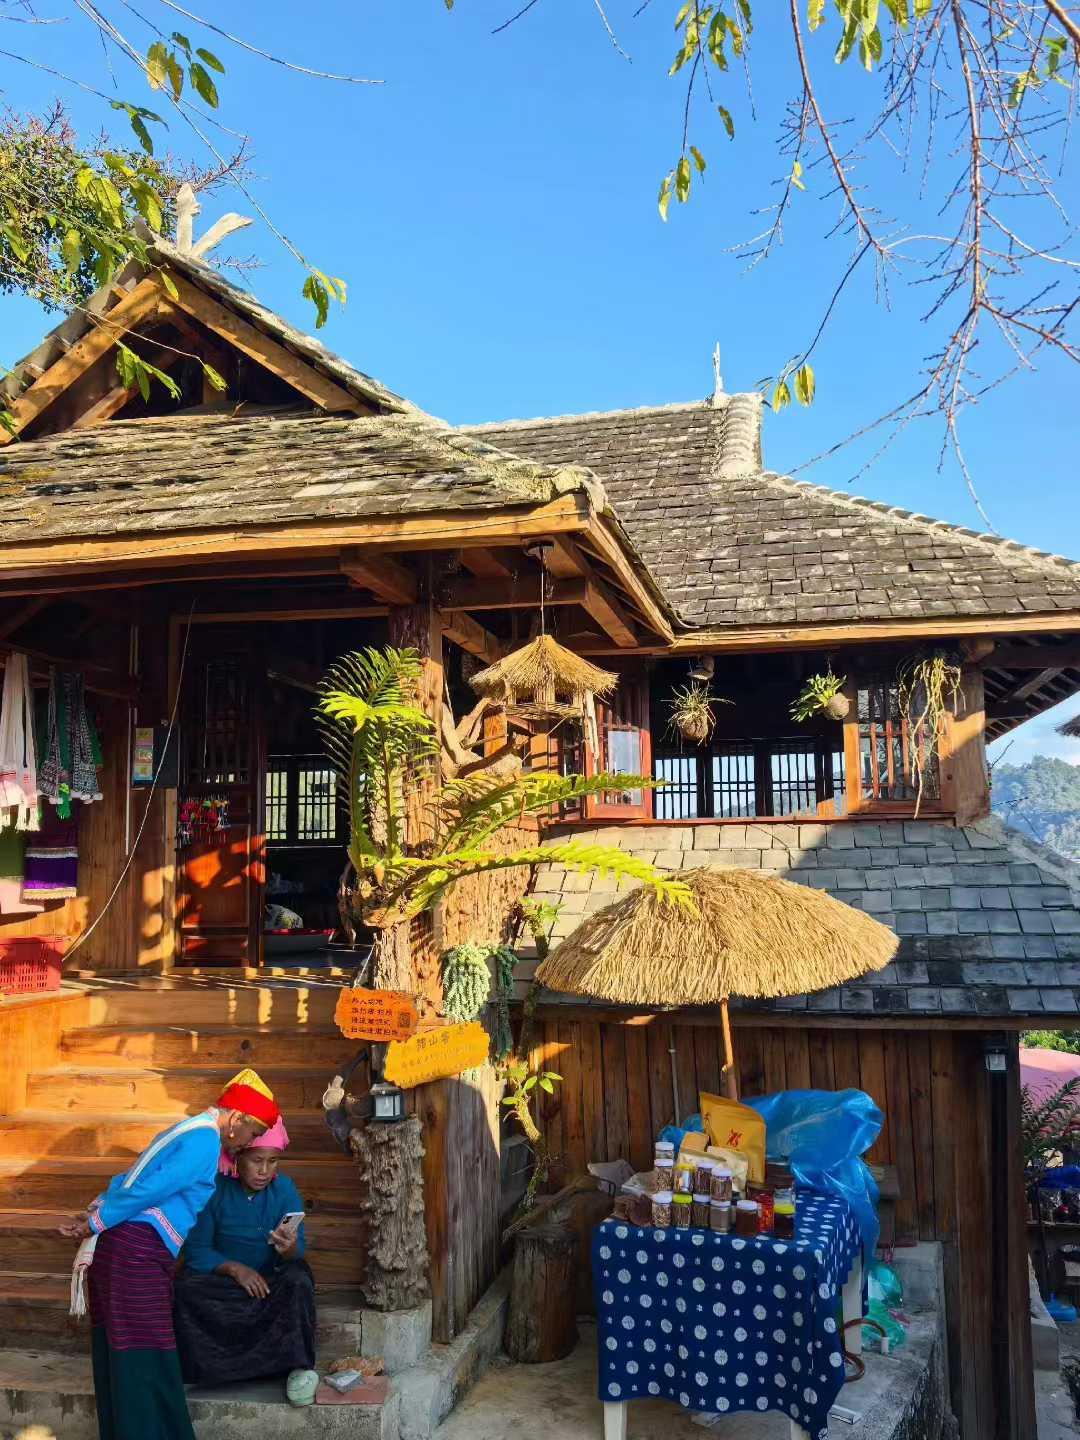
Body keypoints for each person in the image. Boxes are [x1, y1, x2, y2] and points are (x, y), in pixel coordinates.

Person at [58, 1068, 281, 1440]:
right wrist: (96, 1221)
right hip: (136, 1253)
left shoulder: (186, 1130)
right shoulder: (205, 1141)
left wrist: (98, 1214)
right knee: (144, 1355)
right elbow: (150, 1190)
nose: (249, 1142)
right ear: (236, 1119)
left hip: (123, 1248)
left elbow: (133, 1179)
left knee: (125, 1349)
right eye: (253, 1132)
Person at [173, 1117, 317, 1388]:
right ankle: (208, 1370)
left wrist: (288, 1249)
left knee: (298, 1280)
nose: (264, 1171)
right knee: (184, 1287)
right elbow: (197, 1250)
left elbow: (297, 1252)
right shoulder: (214, 1189)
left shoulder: (284, 1189)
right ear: (238, 1157)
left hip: (268, 1285)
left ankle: (297, 1367)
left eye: (272, 1161)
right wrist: (235, 1269)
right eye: (257, 1160)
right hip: (226, 1286)